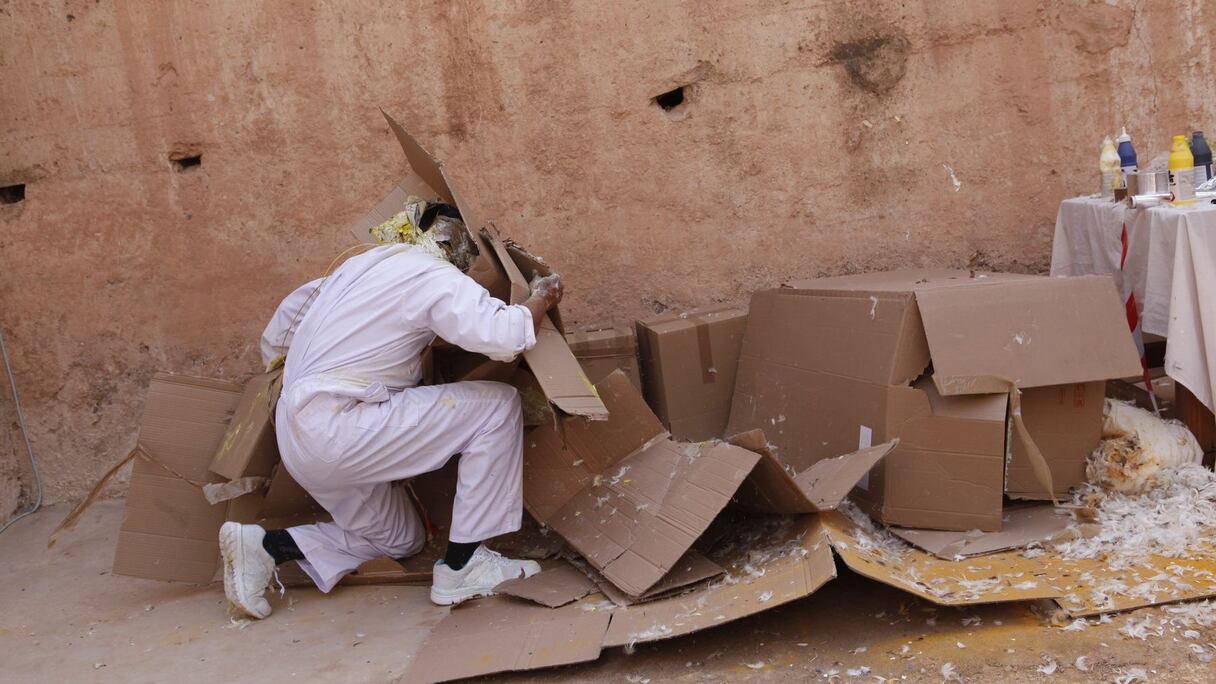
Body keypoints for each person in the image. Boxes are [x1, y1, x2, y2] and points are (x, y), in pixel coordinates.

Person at [218, 208, 562, 619]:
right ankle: (462, 566)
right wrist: (542, 296)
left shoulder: (356, 268)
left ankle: (265, 548)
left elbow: (278, 332)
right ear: (455, 251)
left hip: (296, 437)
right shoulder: (433, 275)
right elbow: (505, 337)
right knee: (498, 407)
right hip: (341, 428)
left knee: (399, 539)